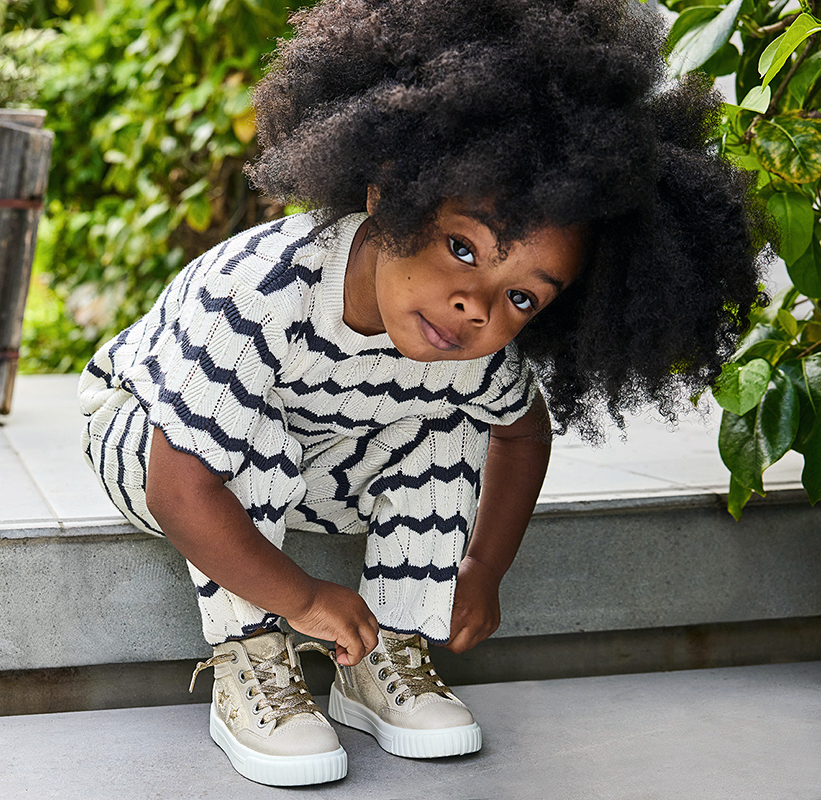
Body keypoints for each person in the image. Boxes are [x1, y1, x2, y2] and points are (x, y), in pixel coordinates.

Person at [78, 0, 768, 786]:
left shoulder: (468, 342)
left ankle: (384, 658)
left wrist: (481, 570)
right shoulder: (261, 292)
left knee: (448, 426)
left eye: (523, 298)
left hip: (316, 461)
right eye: (462, 247)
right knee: (251, 445)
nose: (477, 304)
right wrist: (302, 596)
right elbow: (180, 487)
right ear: (389, 192)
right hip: (151, 438)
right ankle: (252, 660)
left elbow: (519, 432)